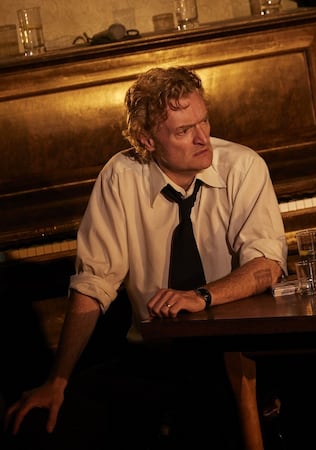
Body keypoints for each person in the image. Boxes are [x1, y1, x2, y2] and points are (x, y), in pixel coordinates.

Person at [3, 66, 288, 449]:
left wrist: (200, 296)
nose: (204, 139)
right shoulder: (121, 176)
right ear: (147, 140)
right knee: (54, 421)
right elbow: (94, 283)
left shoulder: (243, 166)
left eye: (204, 121)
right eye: (184, 131)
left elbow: (266, 265)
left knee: (214, 416)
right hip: (154, 354)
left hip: (233, 351)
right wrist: (58, 380)